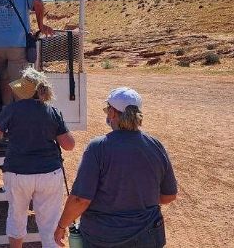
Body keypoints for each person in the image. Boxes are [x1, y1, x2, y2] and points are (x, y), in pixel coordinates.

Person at [54, 87, 178, 248]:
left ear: (112, 113)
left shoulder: (98, 147)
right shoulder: (155, 145)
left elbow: (80, 199)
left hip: (104, 237)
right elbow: (169, 195)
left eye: (107, 110)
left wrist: (61, 226)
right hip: (149, 236)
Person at [0, 67, 75, 248]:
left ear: (24, 91)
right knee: (49, 224)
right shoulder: (52, 111)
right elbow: (69, 145)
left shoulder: (13, 109)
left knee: (17, 218)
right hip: (49, 173)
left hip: (18, 172)